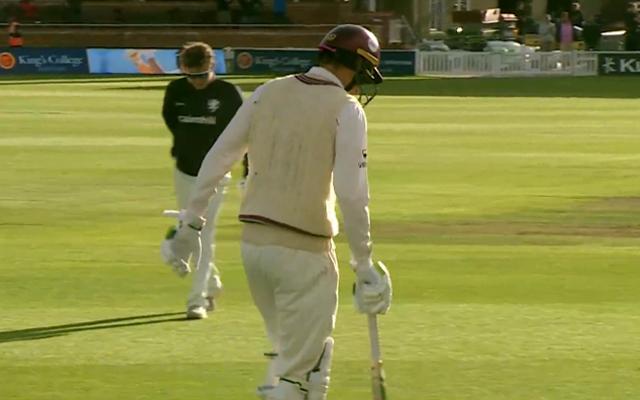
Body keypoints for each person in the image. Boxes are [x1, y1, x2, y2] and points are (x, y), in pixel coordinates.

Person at [162, 24, 392, 399]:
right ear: (355, 66)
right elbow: (352, 193)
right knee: (295, 380)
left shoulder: (268, 91)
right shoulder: (346, 110)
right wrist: (363, 264)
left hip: (254, 253)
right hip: (305, 255)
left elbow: (219, 157)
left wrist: (191, 223)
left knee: (310, 365)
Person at [161, 42, 243, 320]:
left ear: (212, 67)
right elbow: (172, 121)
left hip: (216, 175)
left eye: (201, 76)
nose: (195, 82)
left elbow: (245, 134)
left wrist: (247, 169)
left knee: (203, 236)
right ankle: (211, 282)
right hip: (184, 170)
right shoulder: (175, 91)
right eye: (190, 76)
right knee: (188, 230)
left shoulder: (228, 94)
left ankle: (198, 299)